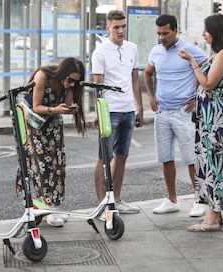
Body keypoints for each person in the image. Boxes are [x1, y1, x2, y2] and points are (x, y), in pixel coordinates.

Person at [143, 14, 207, 217]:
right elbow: (147, 73)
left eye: (165, 33)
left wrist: (198, 97)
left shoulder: (190, 50)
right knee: (166, 158)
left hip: (183, 112)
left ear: (175, 30)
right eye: (159, 33)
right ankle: (172, 200)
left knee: (190, 158)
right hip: (162, 112)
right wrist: (151, 96)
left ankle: (199, 200)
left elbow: (209, 71)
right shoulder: (155, 51)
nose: (161, 37)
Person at [178, 13, 223, 232]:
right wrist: (196, 98)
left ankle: (212, 218)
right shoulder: (217, 54)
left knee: (215, 164)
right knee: (209, 162)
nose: (203, 34)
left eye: (206, 30)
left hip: (216, 118)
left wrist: (192, 62)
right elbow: (206, 86)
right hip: (208, 115)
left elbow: (209, 83)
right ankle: (214, 214)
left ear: (215, 30)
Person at [16, 57, 86, 227]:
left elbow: (67, 104)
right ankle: (48, 210)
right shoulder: (43, 76)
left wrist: (70, 100)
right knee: (43, 168)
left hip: (53, 127)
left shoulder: (68, 84)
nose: (71, 84)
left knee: (57, 167)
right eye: (69, 79)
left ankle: (51, 207)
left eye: (75, 82)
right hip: (35, 126)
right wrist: (55, 109)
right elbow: (36, 106)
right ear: (62, 72)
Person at [91, 10, 144, 219]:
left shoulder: (132, 48)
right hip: (110, 110)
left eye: (123, 27)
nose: (120, 31)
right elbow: (98, 86)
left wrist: (140, 107)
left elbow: (134, 80)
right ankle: (102, 204)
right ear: (108, 28)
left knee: (122, 156)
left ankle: (117, 200)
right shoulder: (100, 52)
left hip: (128, 110)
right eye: (116, 27)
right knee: (104, 156)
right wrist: (99, 112)